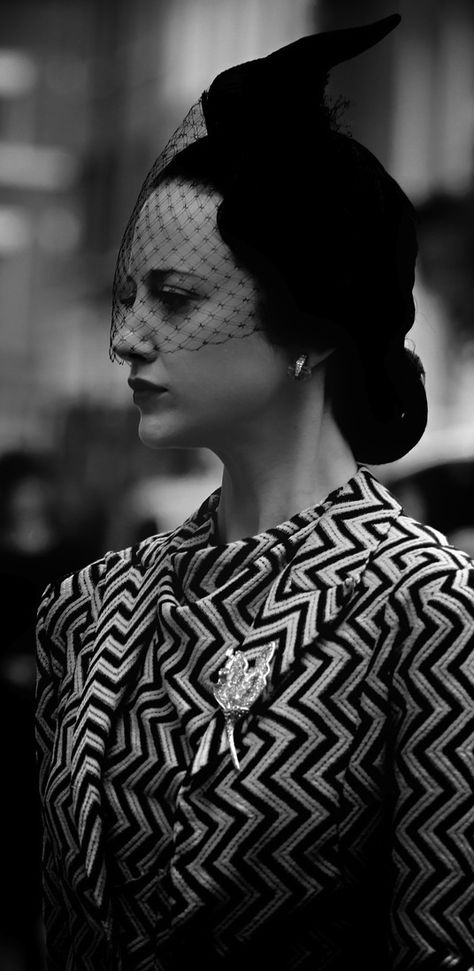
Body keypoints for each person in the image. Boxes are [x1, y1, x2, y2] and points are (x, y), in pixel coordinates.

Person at [36, 15, 474, 971]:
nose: (128, 337)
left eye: (179, 298)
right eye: (130, 294)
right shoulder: (85, 608)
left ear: (310, 324)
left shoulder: (428, 614)